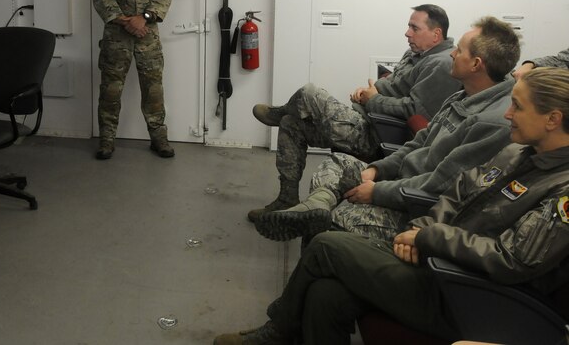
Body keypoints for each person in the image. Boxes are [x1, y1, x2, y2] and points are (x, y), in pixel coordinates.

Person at [214, 67, 569, 345]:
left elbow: (511, 260)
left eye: (518, 106)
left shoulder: (562, 189)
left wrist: (429, 237)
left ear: (553, 119)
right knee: (327, 295)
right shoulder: (517, 153)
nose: (508, 114)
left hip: (475, 296)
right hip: (439, 261)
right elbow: (458, 193)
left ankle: (278, 330)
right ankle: (285, 331)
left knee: (326, 244)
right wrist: (420, 230)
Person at [254, 17, 521, 243]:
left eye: (460, 51)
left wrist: (378, 191)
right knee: (336, 162)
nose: (453, 53)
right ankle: (311, 207)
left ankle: (316, 226)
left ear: (476, 64)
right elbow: (419, 142)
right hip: (396, 174)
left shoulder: (491, 121)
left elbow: (441, 183)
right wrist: (378, 169)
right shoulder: (461, 97)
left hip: (413, 200)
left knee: (310, 94)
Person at [248, 5, 460, 220]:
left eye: (415, 28)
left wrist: (373, 100)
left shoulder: (441, 64)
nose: (407, 33)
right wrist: (367, 91)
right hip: (365, 119)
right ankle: (287, 198)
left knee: (310, 93)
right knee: (290, 123)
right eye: (409, 27)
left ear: (436, 34)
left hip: (376, 134)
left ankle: (279, 111)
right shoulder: (416, 53)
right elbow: (393, 85)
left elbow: (414, 110)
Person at [91, 0, 174, 160]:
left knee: (153, 91)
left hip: (147, 36)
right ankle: (106, 141)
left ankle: (159, 139)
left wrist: (144, 18)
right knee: (110, 91)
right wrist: (124, 20)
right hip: (117, 37)